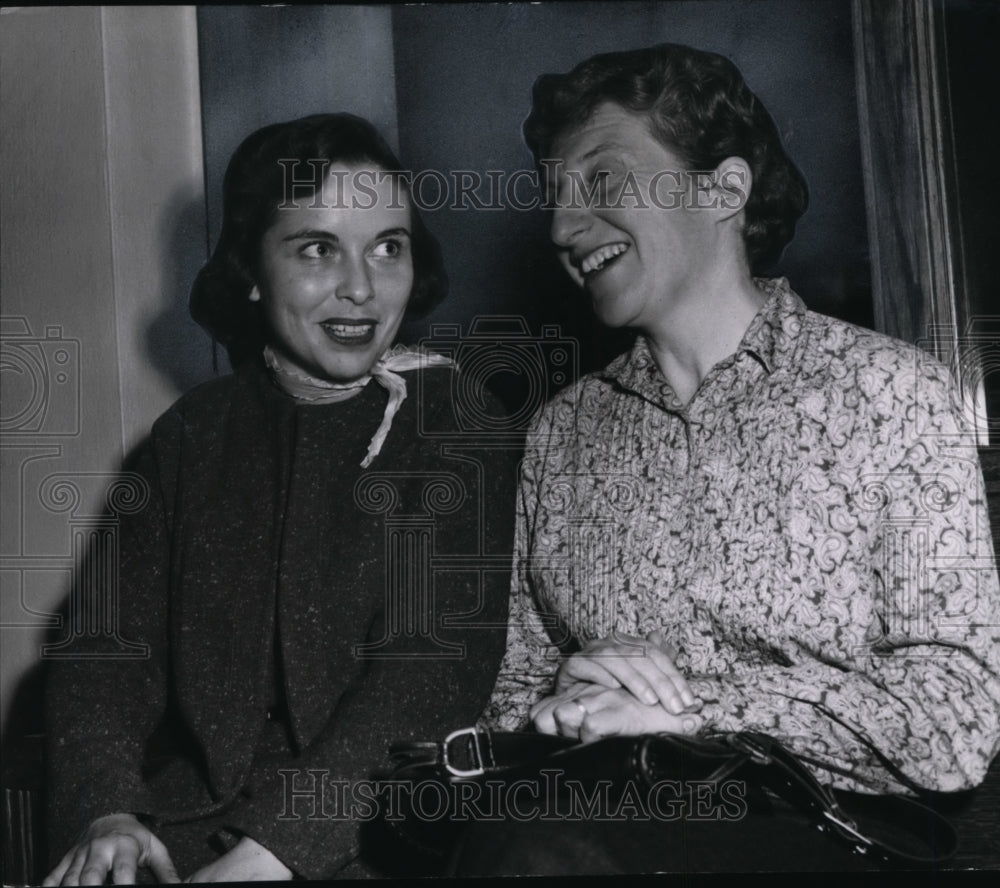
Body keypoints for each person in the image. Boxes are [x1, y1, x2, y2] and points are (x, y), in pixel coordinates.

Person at [470, 42, 1000, 874]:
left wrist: (690, 712)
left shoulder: (894, 394)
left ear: (724, 189)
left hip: (828, 839)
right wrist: (573, 686)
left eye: (603, 182)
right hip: (591, 830)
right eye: (556, 197)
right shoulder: (560, 434)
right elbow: (510, 709)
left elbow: (953, 722)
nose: (564, 228)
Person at [43, 113, 515, 883]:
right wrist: (108, 812)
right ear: (253, 270)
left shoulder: (454, 420)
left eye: (388, 248)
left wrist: (273, 854)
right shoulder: (193, 433)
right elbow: (102, 655)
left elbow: (428, 678)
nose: (361, 287)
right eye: (317, 249)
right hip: (188, 827)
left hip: (386, 832)